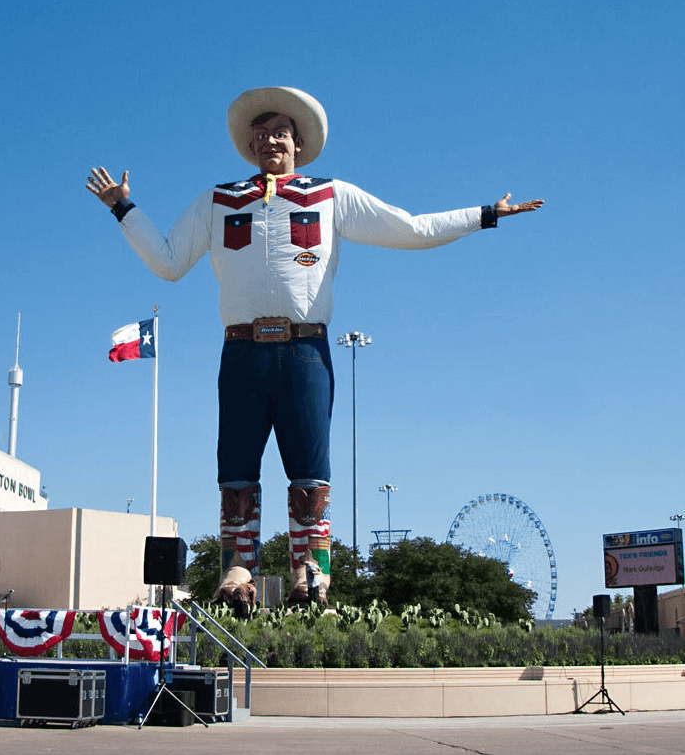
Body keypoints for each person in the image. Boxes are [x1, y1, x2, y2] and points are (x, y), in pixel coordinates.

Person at [87, 86, 543, 611]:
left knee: (309, 467)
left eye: (280, 133)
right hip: (241, 350)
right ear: (249, 145)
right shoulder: (219, 199)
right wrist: (124, 208)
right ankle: (239, 565)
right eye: (260, 135)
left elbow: (411, 229)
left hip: (306, 350)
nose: (269, 141)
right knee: (235, 468)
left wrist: (484, 214)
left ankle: (312, 567)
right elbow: (168, 263)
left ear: (298, 143)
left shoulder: (330, 195)